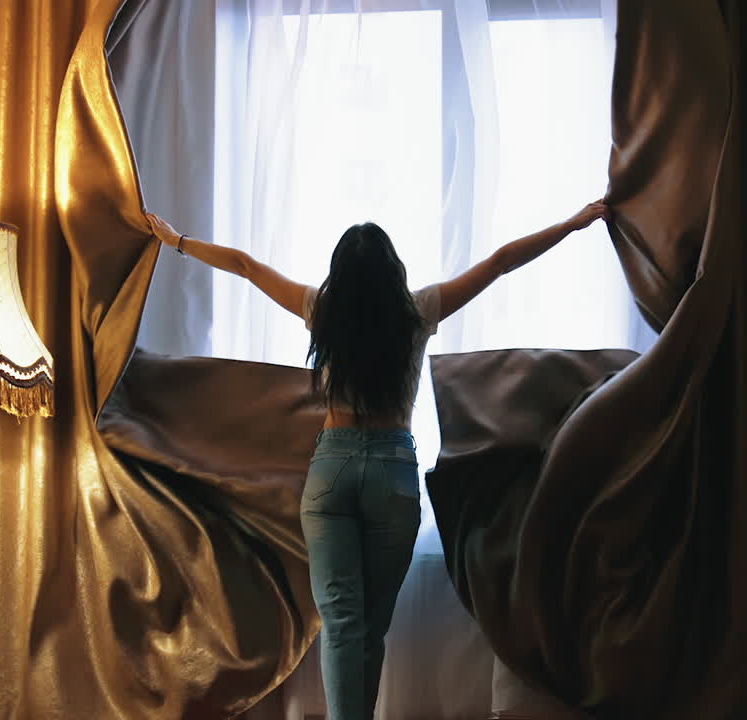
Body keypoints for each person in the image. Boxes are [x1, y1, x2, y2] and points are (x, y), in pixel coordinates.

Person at [146, 201, 608, 720]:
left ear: (339, 274)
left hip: (333, 470)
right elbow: (501, 261)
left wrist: (179, 241)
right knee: (368, 627)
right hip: (392, 474)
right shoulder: (418, 311)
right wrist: (573, 224)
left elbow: (248, 267)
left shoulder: (322, 310)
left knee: (343, 623)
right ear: (393, 273)